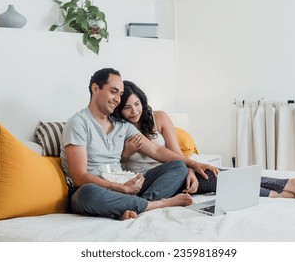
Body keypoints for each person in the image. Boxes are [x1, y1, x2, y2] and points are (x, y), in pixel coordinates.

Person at [112, 80, 295, 199]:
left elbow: (175, 153)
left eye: (137, 104)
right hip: (152, 182)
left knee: (217, 174)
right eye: (127, 108)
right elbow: (115, 169)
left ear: (143, 101)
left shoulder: (159, 117)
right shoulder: (119, 129)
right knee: (219, 180)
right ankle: (288, 190)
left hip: (176, 171)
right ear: (119, 110)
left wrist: (190, 171)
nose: (134, 111)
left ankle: (288, 189)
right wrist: (126, 153)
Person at [60, 68, 218, 221]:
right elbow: (79, 177)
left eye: (120, 94)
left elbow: (156, 150)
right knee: (88, 193)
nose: (117, 99)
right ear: (95, 88)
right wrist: (122, 189)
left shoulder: (122, 125)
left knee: (177, 166)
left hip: (125, 186)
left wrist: (194, 164)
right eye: (113, 91)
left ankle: (133, 205)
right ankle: (157, 204)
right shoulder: (78, 123)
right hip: (94, 189)